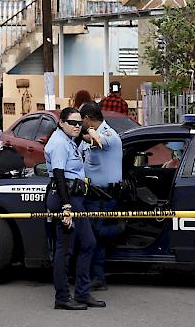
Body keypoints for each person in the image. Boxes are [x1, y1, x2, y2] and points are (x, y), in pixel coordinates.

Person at [44, 107, 105, 310]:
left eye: (80, 123)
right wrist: (66, 206)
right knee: (65, 250)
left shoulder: (69, 139)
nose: (77, 127)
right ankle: (62, 297)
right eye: (73, 123)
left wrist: (91, 131)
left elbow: (88, 138)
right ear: (61, 122)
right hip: (66, 197)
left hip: (75, 197)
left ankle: (82, 293)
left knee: (88, 243)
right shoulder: (59, 142)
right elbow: (59, 175)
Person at [79, 103, 124, 292]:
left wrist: (83, 132)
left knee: (95, 234)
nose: (78, 124)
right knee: (92, 234)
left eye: (80, 120)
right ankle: (94, 276)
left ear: (88, 119)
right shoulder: (88, 135)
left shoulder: (109, 135)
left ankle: (121, 229)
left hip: (106, 195)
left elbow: (96, 141)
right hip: (91, 194)